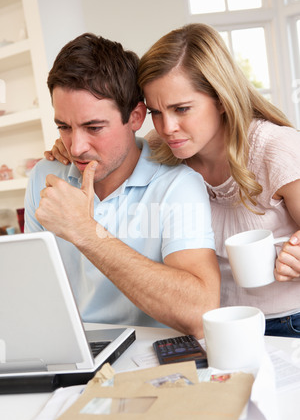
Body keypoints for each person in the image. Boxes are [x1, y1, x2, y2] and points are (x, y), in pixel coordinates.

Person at [47, 23, 300, 338]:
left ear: (221, 98)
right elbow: (113, 145)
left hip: (289, 321)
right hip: (218, 326)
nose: (168, 127)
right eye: (156, 111)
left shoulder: (277, 150)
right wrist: (71, 146)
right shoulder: (161, 148)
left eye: (182, 109)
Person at [25, 33, 220, 339]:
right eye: (64, 127)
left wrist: (86, 232)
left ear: (136, 117)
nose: (76, 147)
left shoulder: (177, 185)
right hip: (69, 348)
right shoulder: (45, 176)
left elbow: (200, 312)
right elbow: (32, 294)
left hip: (152, 357)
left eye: (94, 128)